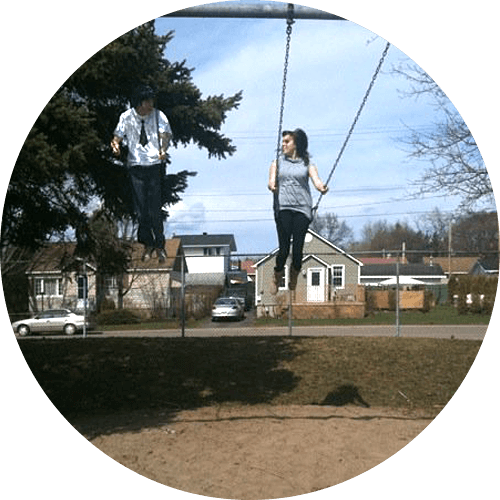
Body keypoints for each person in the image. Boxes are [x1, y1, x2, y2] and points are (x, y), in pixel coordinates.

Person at [111, 85, 172, 262]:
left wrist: (164, 148)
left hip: (154, 165)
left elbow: (165, 134)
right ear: (139, 102)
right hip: (136, 166)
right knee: (140, 210)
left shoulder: (158, 115)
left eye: (152, 100)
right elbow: (117, 136)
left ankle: (160, 245)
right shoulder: (126, 117)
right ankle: (148, 243)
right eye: (148, 101)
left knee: (154, 208)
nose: (151, 104)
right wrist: (115, 144)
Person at [268, 128, 328, 293]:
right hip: (284, 208)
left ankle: (294, 272)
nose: (283, 144)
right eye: (283, 141)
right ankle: (277, 273)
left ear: (296, 144)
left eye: (287, 141)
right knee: (284, 248)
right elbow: (271, 180)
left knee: (298, 250)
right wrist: (272, 186)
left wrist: (321, 188)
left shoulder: (307, 164)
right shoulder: (277, 162)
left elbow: (316, 180)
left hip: (302, 209)